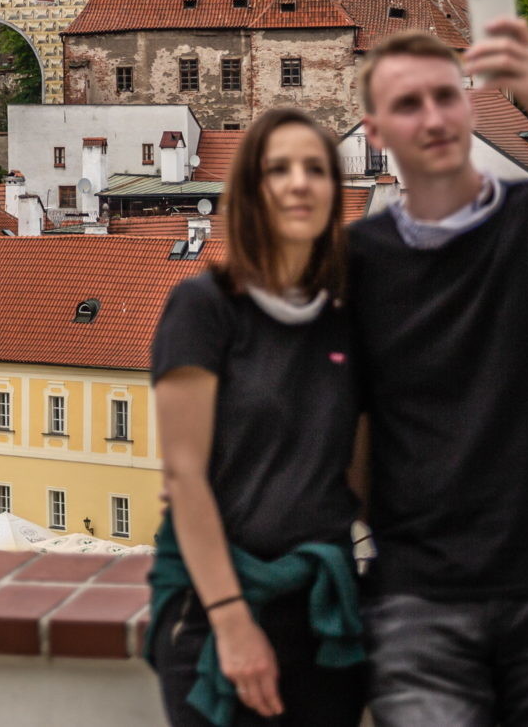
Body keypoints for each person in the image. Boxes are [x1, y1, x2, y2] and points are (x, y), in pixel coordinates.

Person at [347, 22, 528, 727]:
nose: (435, 116)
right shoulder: (358, 260)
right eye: (409, 103)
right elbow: (349, 432)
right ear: (375, 131)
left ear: (469, 105)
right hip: (421, 594)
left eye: (446, 95)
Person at [148, 107, 368, 726]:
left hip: (324, 607)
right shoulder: (205, 308)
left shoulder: (345, 318)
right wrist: (231, 619)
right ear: (250, 192)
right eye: (279, 169)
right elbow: (184, 477)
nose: (300, 183)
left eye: (316, 169)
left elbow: (358, 472)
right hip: (218, 601)